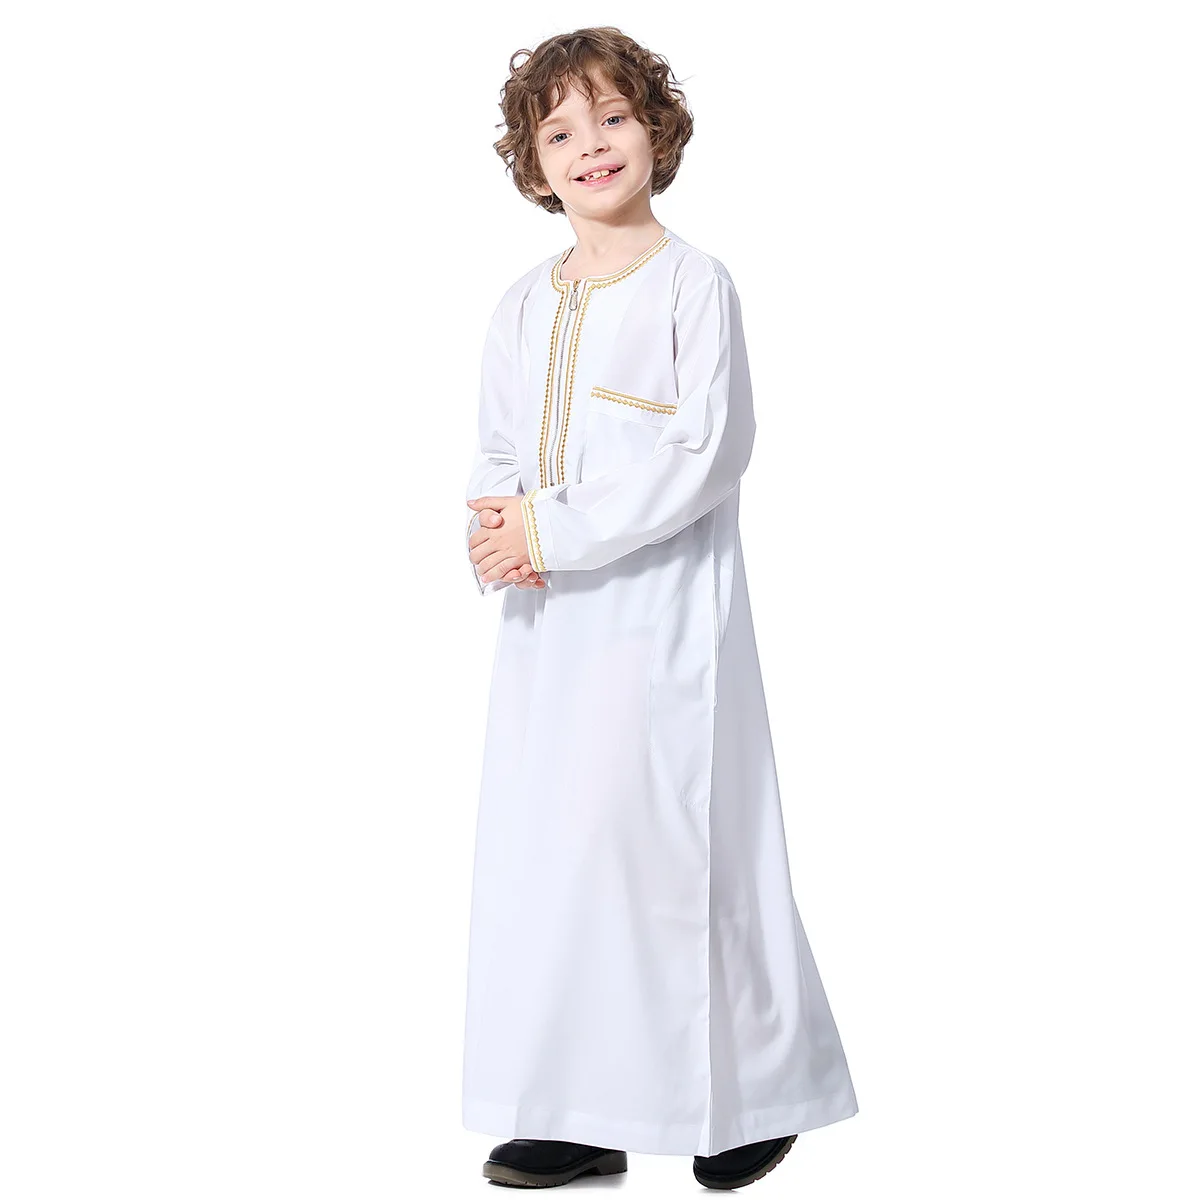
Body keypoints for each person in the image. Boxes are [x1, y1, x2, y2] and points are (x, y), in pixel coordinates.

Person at [462, 26, 858, 1191]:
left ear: (656, 130)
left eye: (613, 118)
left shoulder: (693, 284)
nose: (591, 146)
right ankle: (579, 1105)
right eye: (560, 132)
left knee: (676, 853)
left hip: (664, 624)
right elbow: (497, 449)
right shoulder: (520, 305)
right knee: (558, 860)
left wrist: (549, 527)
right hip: (549, 631)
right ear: (534, 164)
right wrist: (496, 533)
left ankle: (749, 1100)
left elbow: (705, 453)